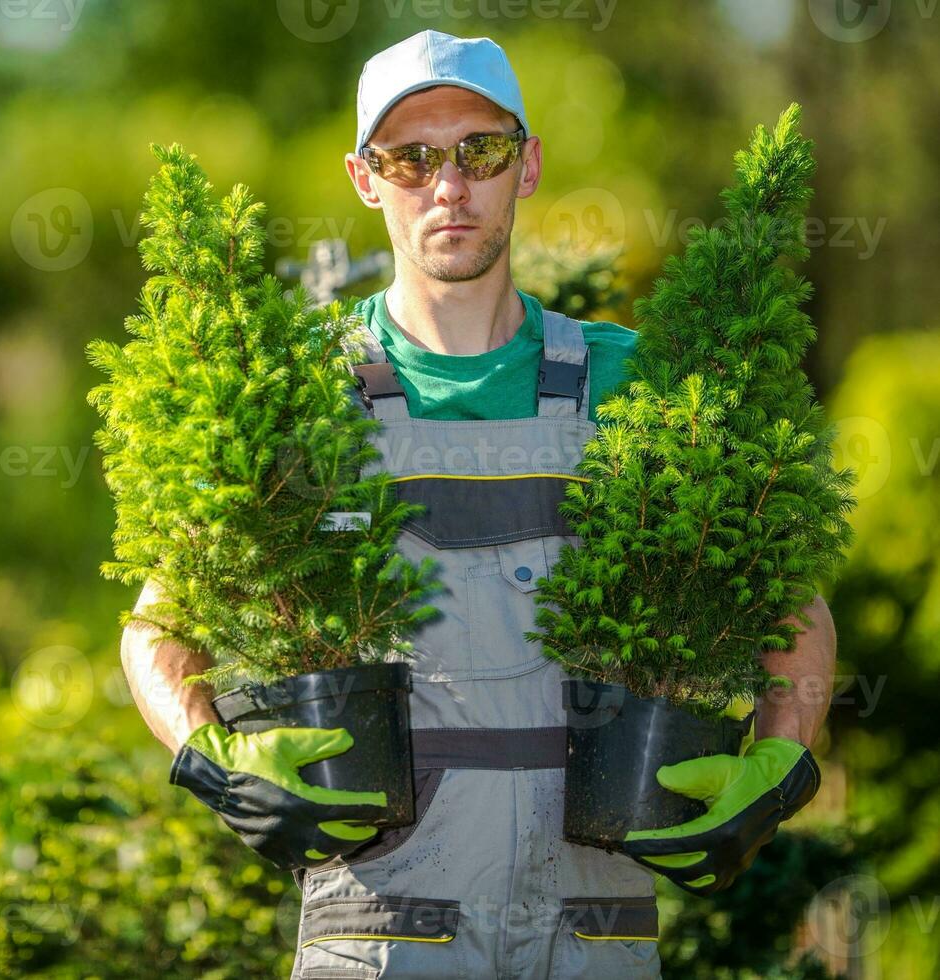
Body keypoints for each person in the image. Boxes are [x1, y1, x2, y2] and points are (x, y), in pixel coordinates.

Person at [120, 28, 838, 979]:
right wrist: (208, 757)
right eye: (410, 158)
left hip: (592, 933)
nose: (447, 186)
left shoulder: (637, 384)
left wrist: (780, 766)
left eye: (479, 151)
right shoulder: (295, 392)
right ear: (365, 178)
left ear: (527, 166)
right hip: (379, 930)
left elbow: (793, 606)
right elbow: (161, 620)